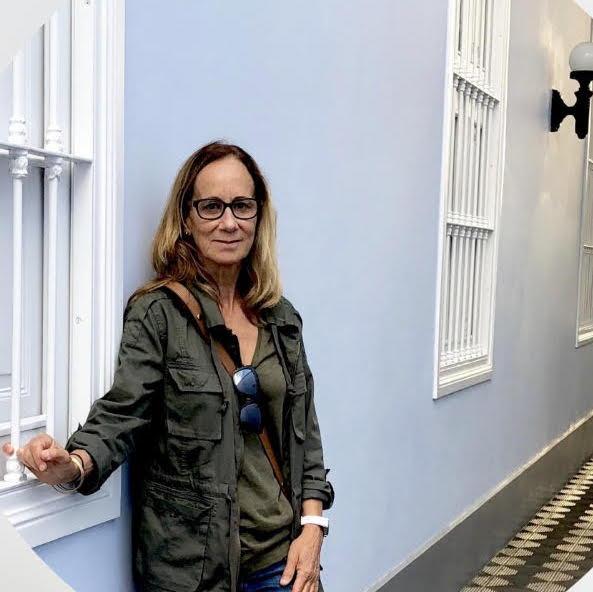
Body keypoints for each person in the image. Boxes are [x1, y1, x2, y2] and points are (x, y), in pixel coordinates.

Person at [2, 141, 334, 592]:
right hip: (193, 571)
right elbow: (124, 413)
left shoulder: (281, 318)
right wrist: (72, 464)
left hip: (282, 564)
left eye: (242, 206)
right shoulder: (158, 313)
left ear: (259, 216)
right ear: (186, 218)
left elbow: (305, 435)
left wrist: (313, 528)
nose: (229, 222)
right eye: (211, 207)